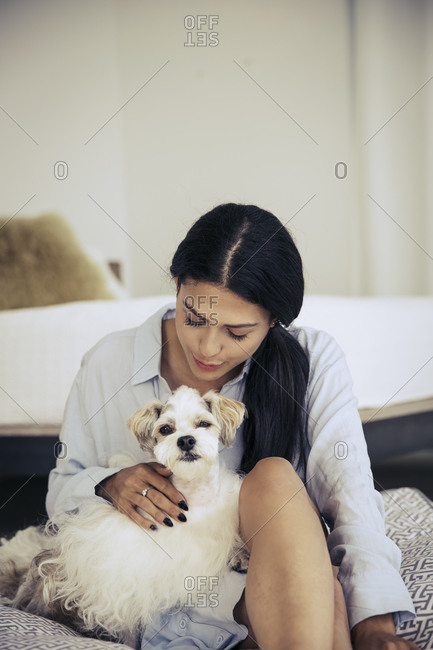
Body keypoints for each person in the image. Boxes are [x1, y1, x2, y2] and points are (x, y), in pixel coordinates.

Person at [47, 203, 418, 650]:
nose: (207, 347)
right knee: (326, 598)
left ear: (274, 322)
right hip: (168, 593)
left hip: (272, 571)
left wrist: (376, 626)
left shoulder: (312, 360)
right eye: (193, 317)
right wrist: (109, 482)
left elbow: (351, 495)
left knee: (274, 477)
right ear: (178, 288)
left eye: (237, 333)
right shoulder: (109, 362)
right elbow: (62, 488)